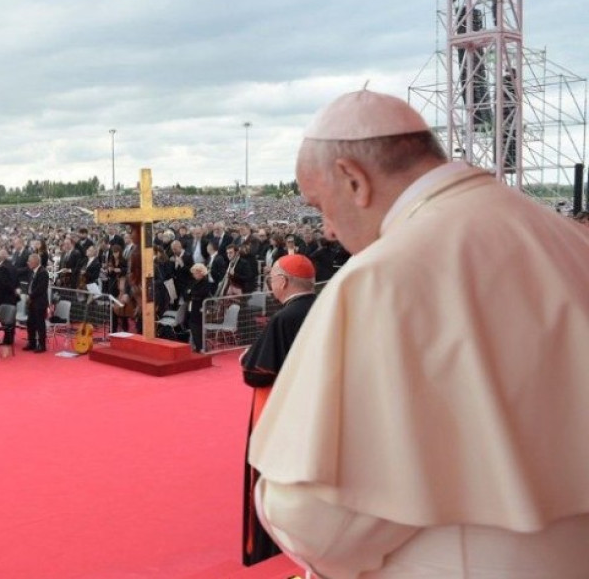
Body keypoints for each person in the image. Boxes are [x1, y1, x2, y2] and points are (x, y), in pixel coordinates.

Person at [249, 90, 589, 577]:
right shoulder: (570, 239)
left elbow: (319, 520)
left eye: (319, 204)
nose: (325, 230)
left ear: (352, 179)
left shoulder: (384, 277)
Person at [239, 254, 317, 567]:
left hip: (279, 409)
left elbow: (257, 372)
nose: (270, 282)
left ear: (283, 281)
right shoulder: (323, 306)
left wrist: (247, 357)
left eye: (272, 276)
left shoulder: (284, 318)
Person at [0, 249, 19, 346]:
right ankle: (9, 338)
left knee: (6, 320)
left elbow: (4, 284)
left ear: (0, 257)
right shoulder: (13, 266)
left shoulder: (2, 268)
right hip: (12, 297)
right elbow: (15, 282)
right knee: (10, 319)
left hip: (4, 297)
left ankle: (8, 339)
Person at [22, 253, 48, 353]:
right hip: (32, 302)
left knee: (40, 324)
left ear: (36, 261)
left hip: (39, 303)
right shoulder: (32, 272)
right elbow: (30, 285)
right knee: (30, 323)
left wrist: (30, 295)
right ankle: (31, 343)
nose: (28, 263)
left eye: (30, 261)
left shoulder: (43, 272)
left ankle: (42, 345)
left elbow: (40, 289)